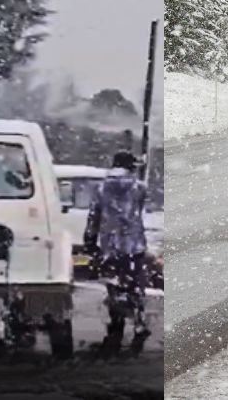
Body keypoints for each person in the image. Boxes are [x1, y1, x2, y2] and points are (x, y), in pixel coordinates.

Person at [83, 150, 150, 354]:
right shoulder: (139, 187)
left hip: (110, 247)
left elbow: (94, 215)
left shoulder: (102, 188)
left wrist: (90, 240)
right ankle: (139, 324)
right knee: (134, 288)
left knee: (114, 288)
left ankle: (115, 335)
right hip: (134, 246)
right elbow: (137, 211)